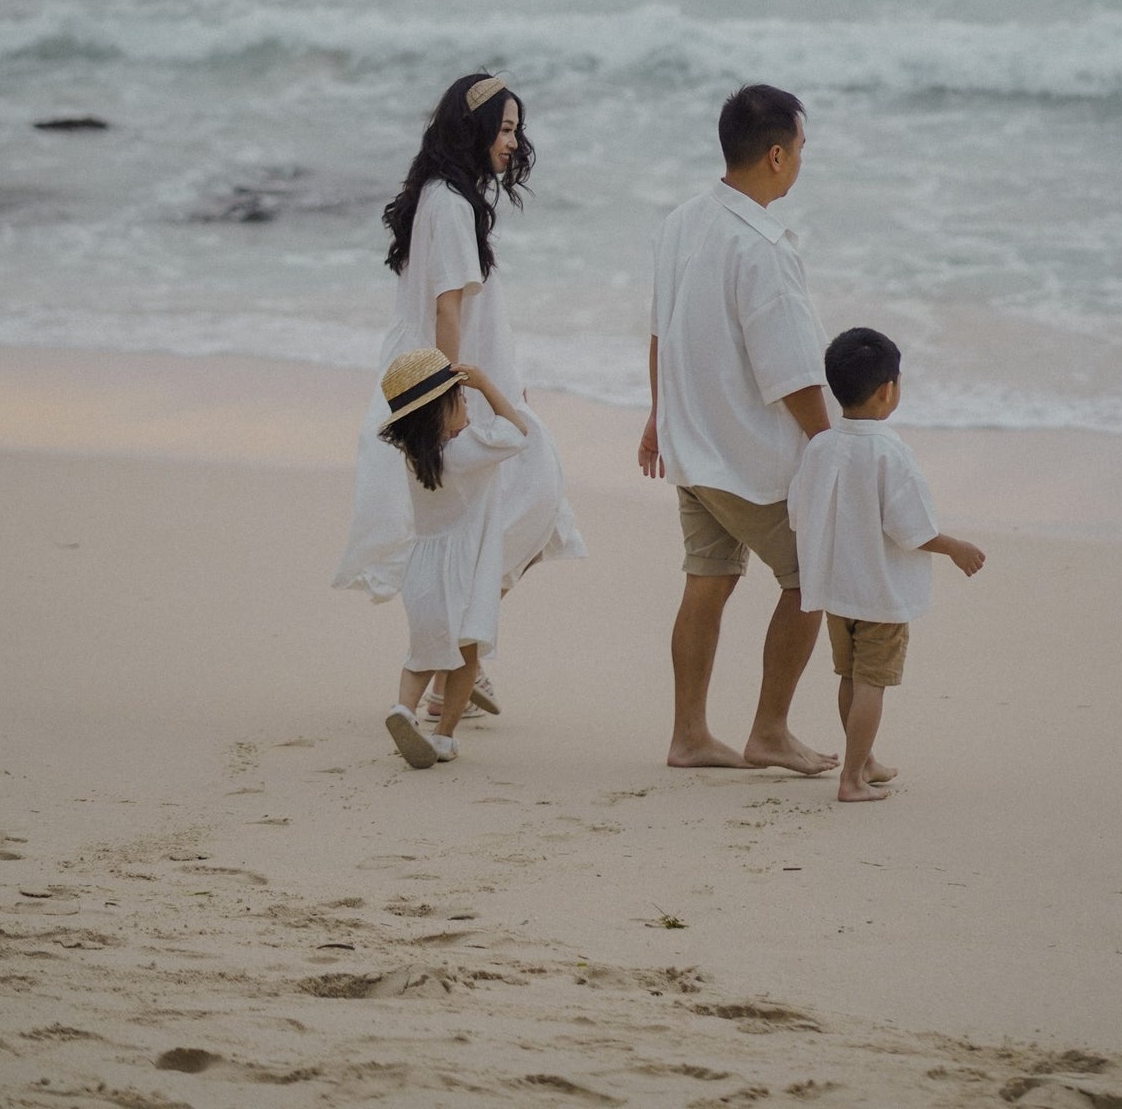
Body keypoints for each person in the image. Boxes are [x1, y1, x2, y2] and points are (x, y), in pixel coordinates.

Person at [333, 72, 585, 722]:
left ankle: (459, 654)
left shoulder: (450, 195)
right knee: (520, 507)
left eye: (516, 129)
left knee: (514, 518)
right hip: (451, 388)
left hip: (470, 378)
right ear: (471, 129)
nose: (513, 141)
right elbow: (447, 311)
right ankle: (455, 658)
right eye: (503, 129)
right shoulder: (448, 203)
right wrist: (450, 407)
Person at [640, 82, 836, 775]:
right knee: (813, 576)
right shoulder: (764, 247)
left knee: (708, 578)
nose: (803, 161)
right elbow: (791, 371)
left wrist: (657, 416)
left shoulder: (680, 222)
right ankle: (770, 731)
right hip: (744, 453)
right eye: (803, 149)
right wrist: (832, 442)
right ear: (777, 156)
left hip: (690, 443)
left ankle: (689, 735)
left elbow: (661, 329)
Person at [788, 326, 986, 804]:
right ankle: (852, 778)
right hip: (880, 593)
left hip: (837, 590)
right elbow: (912, 527)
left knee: (850, 678)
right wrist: (956, 546)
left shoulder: (820, 447)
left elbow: (799, 509)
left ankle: (865, 759)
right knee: (873, 683)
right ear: (887, 391)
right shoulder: (891, 452)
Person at [377, 345, 530, 768]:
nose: (466, 403)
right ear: (440, 413)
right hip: (463, 572)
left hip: (422, 570)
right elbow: (518, 433)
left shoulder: (416, 458)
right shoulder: (464, 454)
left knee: (422, 652)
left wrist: (470, 396)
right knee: (465, 655)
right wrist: (486, 385)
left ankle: (403, 710)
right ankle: (443, 737)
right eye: (460, 399)